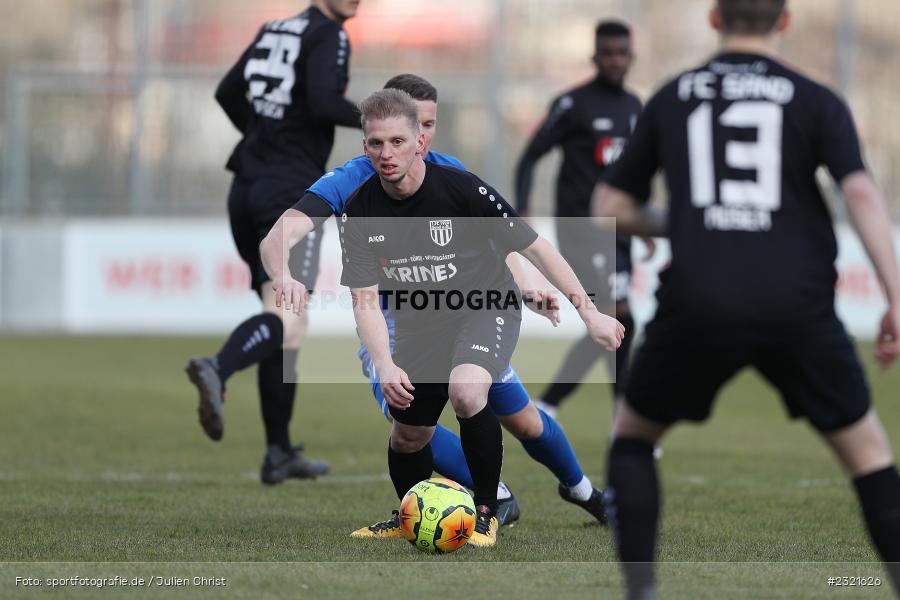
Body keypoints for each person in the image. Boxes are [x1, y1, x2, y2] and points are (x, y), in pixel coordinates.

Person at [594, 1, 900, 597]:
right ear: (783, 20)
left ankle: (641, 592)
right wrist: (896, 295)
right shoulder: (815, 99)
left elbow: (609, 208)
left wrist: (689, 223)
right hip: (798, 302)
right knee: (869, 456)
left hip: (699, 298)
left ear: (714, 18)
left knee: (632, 438)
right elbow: (860, 194)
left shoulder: (674, 95)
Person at [260, 74, 614, 537]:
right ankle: (431, 511)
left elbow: (516, 244)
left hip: (479, 310)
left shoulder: (455, 180)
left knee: (507, 412)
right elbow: (312, 256)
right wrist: (285, 276)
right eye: (378, 142)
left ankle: (561, 494)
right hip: (407, 323)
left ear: (422, 137)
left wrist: (565, 301)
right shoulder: (356, 191)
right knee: (407, 424)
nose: (391, 151)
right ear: (368, 139)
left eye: (414, 133)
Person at [185, 0, 362, 485]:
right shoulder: (330, 34)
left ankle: (278, 453)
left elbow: (227, 92)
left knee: (288, 322)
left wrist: (266, 134)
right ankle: (218, 366)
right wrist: (379, 119)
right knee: (287, 315)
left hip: (245, 184)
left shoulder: (275, 27)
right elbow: (325, 102)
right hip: (288, 192)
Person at [514, 20, 643, 419]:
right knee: (619, 314)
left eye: (622, 53)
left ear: (631, 57)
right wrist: (522, 209)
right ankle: (617, 415)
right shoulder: (573, 104)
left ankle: (550, 403)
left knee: (616, 320)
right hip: (580, 229)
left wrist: (641, 220)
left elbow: (635, 172)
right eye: (607, 53)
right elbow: (530, 156)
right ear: (595, 56)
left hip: (618, 230)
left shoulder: (635, 107)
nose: (615, 60)